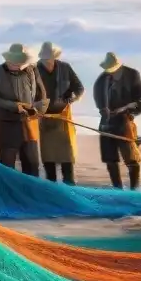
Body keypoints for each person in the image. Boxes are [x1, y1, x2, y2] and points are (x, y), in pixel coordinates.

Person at [0, 43, 49, 176]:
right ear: (7, 59)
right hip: (6, 128)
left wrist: (39, 110)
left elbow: (42, 96)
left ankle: (29, 195)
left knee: (32, 168)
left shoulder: (32, 71)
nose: (17, 65)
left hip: (29, 127)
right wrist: (13, 106)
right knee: (7, 170)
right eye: (14, 62)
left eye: (20, 63)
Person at [93, 52, 141, 190]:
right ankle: (117, 187)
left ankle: (134, 188)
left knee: (131, 158)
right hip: (106, 122)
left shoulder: (133, 75)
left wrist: (127, 109)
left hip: (125, 121)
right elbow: (98, 99)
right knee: (110, 159)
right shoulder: (101, 80)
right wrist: (103, 110)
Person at [35, 41, 84, 185]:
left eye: (50, 58)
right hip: (45, 118)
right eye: (45, 59)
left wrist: (75, 98)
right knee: (49, 160)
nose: (47, 61)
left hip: (63, 118)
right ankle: (52, 191)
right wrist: (36, 106)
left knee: (67, 160)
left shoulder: (65, 67)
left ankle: (70, 189)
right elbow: (28, 95)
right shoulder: (34, 70)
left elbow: (79, 88)